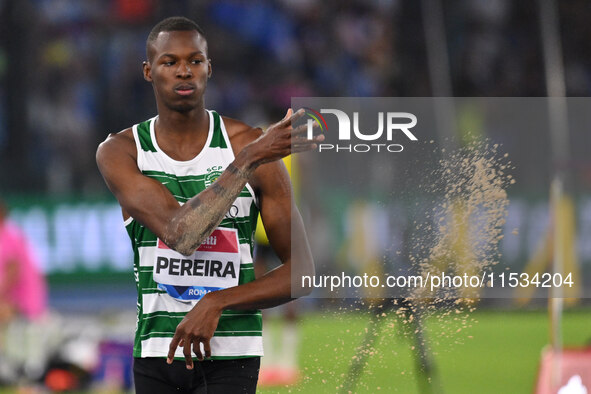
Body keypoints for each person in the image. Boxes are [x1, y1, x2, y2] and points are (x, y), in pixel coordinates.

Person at [96, 16, 323, 394]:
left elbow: (302, 271)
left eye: (195, 61)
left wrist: (218, 303)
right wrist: (246, 160)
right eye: (170, 62)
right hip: (158, 353)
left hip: (232, 356)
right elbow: (180, 234)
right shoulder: (123, 151)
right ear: (148, 71)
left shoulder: (249, 144)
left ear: (209, 68)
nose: (184, 71)